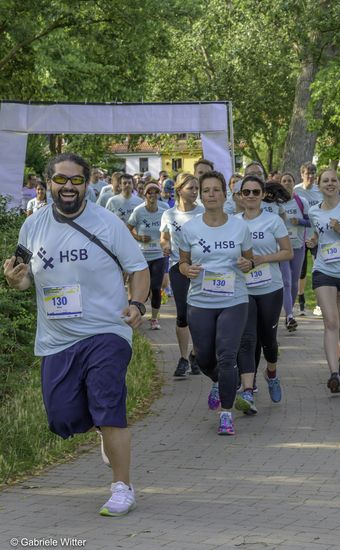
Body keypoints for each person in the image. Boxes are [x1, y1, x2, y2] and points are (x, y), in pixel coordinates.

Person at [3, 152, 149, 517]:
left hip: (107, 330)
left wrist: (137, 304)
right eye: (61, 180)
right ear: (47, 183)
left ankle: (121, 487)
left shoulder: (108, 223)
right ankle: (102, 428)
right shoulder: (32, 226)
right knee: (61, 417)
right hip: (57, 338)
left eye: (76, 180)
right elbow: (23, 278)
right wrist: (16, 280)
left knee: (108, 402)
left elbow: (138, 268)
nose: (68, 186)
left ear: (87, 184)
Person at [179, 170, 254, 436]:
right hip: (200, 300)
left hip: (234, 299)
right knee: (205, 358)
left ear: (225, 194)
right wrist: (186, 270)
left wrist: (248, 264)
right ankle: (220, 382)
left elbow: (249, 260)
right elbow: (183, 262)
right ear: (201, 195)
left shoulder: (239, 226)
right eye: (206, 190)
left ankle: (226, 413)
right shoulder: (189, 228)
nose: (211, 194)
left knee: (226, 355)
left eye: (216, 190)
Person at [235, 176, 292, 413]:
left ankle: (271, 373)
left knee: (268, 341)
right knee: (247, 339)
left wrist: (262, 259)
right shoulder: (233, 223)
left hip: (270, 287)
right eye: (246, 192)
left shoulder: (273, 221)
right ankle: (248, 391)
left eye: (255, 192)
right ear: (239, 196)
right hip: (244, 289)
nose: (250, 196)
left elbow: (288, 252)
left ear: (262, 195)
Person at [308, 168, 340, 393]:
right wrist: (313, 240)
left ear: (339, 184)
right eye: (325, 181)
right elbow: (319, 234)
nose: (330, 184)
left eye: (334, 180)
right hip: (324, 269)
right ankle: (334, 373)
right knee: (331, 322)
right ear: (319, 186)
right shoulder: (313, 212)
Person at [160, 173, 204, 377]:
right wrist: (166, 245)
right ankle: (183, 358)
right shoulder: (169, 215)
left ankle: (196, 353)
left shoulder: (204, 212)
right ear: (179, 190)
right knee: (183, 313)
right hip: (178, 267)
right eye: (191, 188)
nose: (195, 192)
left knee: (201, 313)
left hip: (201, 268)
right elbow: (164, 237)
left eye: (197, 188)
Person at [127, 182, 169, 330]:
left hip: (158, 254)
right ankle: (135, 315)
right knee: (142, 290)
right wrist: (138, 237)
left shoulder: (165, 210)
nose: (152, 195)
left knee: (156, 288)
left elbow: (170, 230)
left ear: (158, 194)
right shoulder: (138, 211)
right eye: (149, 192)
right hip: (142, 256)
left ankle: (154, 318)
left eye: (155, 192)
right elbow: (127, 229)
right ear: (144, 195)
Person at [278, 173, 309, 331]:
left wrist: (300, 221)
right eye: (284, 181)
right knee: (286, 281)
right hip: (282, 248)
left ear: (294, 183)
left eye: (289, 180)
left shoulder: (301, 202)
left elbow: (310, 222)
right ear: (280, 183)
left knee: (295, 281)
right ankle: (289, 315)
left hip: (298, 246)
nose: (287, 183)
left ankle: (290, 310)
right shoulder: (277, 203)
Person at [294, 162, 323, 316]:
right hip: (301, 236)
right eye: (307, 173)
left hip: (317, 236)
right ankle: (301, 302)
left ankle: (319, 304)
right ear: (302, 174)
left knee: (319, 269)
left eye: (313, 173)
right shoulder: (295, 190)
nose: (310, 176)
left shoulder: (320, 191)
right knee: (301, 271)